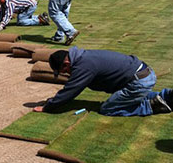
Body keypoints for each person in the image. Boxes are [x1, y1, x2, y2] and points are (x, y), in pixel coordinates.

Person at [33, 48, 173, 116]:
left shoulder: (83, 65)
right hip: (144, 74)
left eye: (65, 71)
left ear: (66, 63)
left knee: (107, 108)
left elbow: (71, 90)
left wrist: (48, 107)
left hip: (139, 81)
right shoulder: (83, 56)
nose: (67, 74)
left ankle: (151, 106)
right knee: (128, 95)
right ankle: (167, 96)